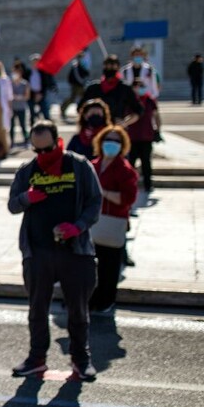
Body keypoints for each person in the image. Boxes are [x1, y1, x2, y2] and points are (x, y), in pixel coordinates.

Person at [7, 119, 102, 381]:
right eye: (36, 151)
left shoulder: (79, 166)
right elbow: (13, 205)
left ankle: (81, 361)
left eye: (46, 150)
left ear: (58, 142)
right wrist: (27, 198)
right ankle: (37, 359)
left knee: (78, 309)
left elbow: (95, 202)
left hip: (75, 250)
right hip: (38, 251)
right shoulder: (27, 170)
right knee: (37, 309)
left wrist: (78, 226)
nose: (42, 156)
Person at [89, 126, 138, 314]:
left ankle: (106, 300)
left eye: (117, 141)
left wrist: (103, 192)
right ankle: (90, 298)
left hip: (113, 222)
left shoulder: (125, 169)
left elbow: (128, 198)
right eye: (108, 139)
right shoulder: (92, 165)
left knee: (109, 266)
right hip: (92, 222)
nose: (112, 144)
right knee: (90, 265)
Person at [80, 54, 142, 128]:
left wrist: (125, 122)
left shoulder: (124, 88)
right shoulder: (93, 88)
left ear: (118, 67)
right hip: (95, 130)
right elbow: (80, 108)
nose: (109, 67)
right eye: (107, 64)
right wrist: (90, 115)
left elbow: (139, 110)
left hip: (116, 131)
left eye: (113, 65)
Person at [126, 80, 161, 192]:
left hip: (146, 136)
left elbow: (156, 115)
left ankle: (148, 184)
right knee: (130, 162)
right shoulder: (129, 100)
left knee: (146, 162)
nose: (139, 89)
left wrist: (157, 130)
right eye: (137, 86)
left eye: (142, 86)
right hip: (132, 137)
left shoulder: (150, 100)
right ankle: (129, 184)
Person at [61, 53, 90, 122]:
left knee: (84, 98)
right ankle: (63, 109)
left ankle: (84, 111)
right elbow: (76, 76)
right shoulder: (75, 66)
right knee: (73, 99)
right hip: (76, 85)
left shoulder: (83, 65)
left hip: (80, 85)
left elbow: (85, 73)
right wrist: (81, 82)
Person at [10, 66, 31, 147]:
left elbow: (27, 96)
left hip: (21, 107)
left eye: (16, 72)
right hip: (12, 107)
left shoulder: (24, 83)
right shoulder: (10, 83)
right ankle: (11, 140)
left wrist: (18, 97)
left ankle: (26, 139)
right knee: (11, 126)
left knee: (23, 125)